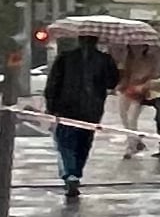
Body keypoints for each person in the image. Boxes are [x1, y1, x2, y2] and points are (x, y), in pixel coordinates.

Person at [43, 35, 119, 202]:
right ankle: (74, 174)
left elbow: (53, 83)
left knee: (66, 143)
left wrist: (51, 105)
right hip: (91, 109)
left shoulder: (65, 58)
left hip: (66, 108)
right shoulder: (104, 59)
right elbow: (112, 83)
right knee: (83, 143)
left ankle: (71, 174)